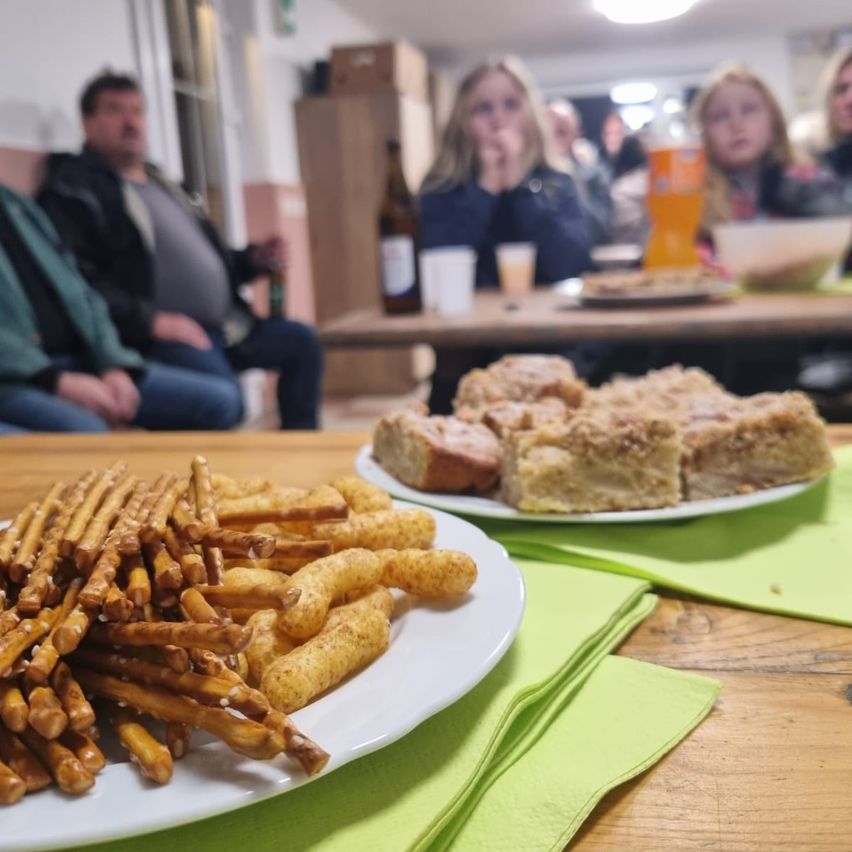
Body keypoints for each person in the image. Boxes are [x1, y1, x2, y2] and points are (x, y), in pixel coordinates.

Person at [38, 72, 322, 430]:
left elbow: (210, 262)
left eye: (137, 111)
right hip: (157, 336)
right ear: (87, 123)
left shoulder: (164, 183)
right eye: (114, 110)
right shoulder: (76, 189)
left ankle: (301, 448)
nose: (130, 122)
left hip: (228, 326)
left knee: (302, 342)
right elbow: (80, 280)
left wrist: (253, 260)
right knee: (225, 401)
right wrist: (151, 322)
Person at [0, 183, 242, 432]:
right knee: (88, 431)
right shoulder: (67, 185)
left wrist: (113, 363)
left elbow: (85, 294)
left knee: (223, 401)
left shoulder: (18, 206)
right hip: (20, 378)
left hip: (84, 361)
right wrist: (54, 380)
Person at [419, 56, 591, 286]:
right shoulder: (441, 184)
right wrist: (485, 189)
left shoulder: (558, 181)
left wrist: (520, 187)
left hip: (545, 308)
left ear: (530, 115)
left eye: (511, 105)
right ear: (462, 122)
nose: (498, 120)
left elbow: (571, 266)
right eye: (483, 108)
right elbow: (437, 267)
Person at [694, 63, 846, 238]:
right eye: (720, 116)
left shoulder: (812, 179)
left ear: (774, 121)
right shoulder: (696, 201)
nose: (736, 125)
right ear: (704, 135)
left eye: (749, 109)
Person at [547, 99, 613, 246]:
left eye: (561, 132)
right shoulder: (530, 178)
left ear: (577, 133)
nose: (553, 140)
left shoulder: (595, 175)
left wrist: (571, 178)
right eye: (547, 133)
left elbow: (603, 230)